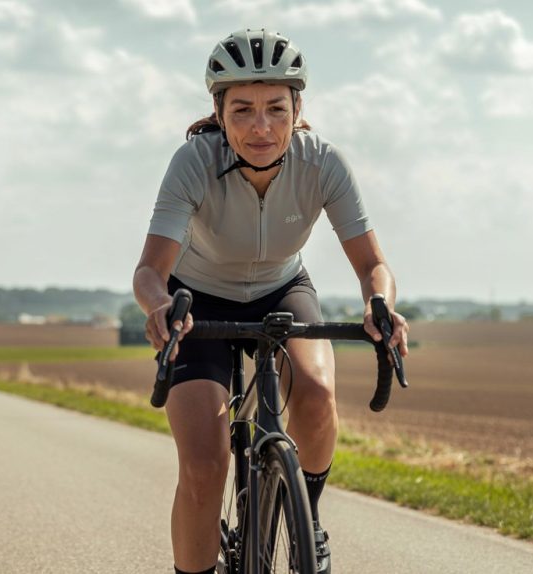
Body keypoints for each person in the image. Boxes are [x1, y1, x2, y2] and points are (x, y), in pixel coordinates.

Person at [132, 28, 409, 574]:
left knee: (316, 393)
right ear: (219, 111)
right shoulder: (193, 162)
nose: (261, 127)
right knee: (205, 468)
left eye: (275, 109)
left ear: (297, 108)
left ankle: (305, 513)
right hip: (198, 302)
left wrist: (379, 302)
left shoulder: (322, 163)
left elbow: (374, 265)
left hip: (282, 290)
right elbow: (149, 272)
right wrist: (159, 308)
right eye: (243, 111)